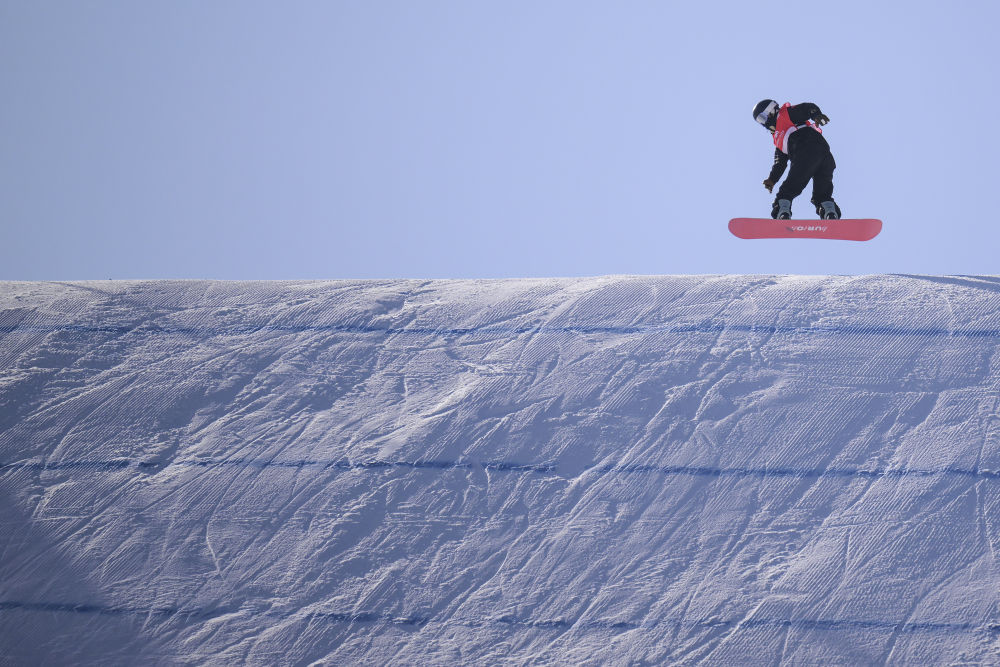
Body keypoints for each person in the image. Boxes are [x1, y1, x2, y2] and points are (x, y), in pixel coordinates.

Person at [752, 99, 842, 220]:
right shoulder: (778, 139)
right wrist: (772, 179)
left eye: (762, 118)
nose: (764, 123)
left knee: (789, 187)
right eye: (760, 121)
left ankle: (782, 211)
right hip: (824, 154)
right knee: (823, 188)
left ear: (770, 111)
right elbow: (780, 163)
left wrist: (816, 115)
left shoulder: (784, 115)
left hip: (806, 149)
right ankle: (829, 211)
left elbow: (807, 108)